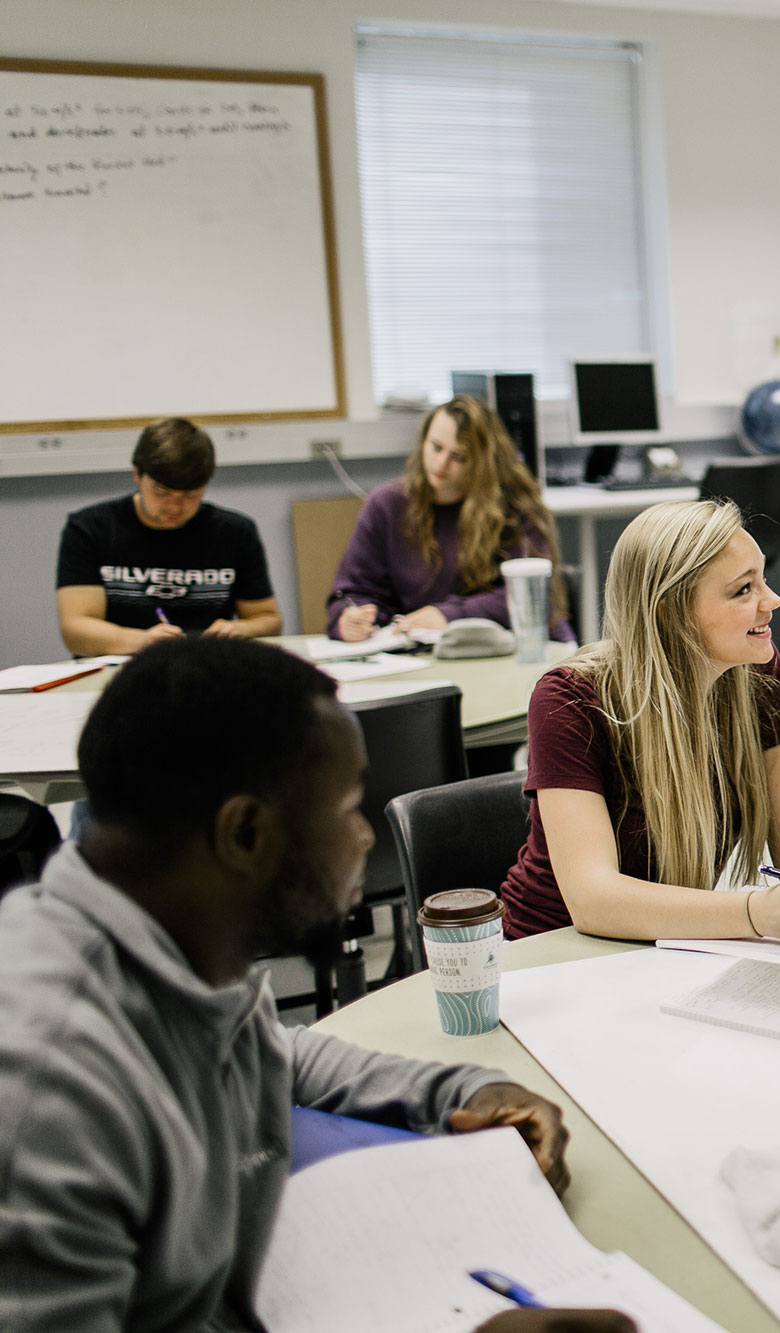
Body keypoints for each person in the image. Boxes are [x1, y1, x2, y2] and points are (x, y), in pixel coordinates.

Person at [0, 637, 628, 1332]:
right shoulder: (47, 1088)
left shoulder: (163, 940)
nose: (364, 836)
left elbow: (277, 1051)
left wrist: (463, 1090)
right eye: (348, 807)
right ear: (243, 832)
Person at [498, 500, 780, 942]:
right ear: (670, 612)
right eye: (743, 590)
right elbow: (594, 899)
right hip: (556, 952)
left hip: (670, 945)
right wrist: (754, 914)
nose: (772, 600)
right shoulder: (570, 699)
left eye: (762, 579)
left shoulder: (757, 673)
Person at [326, 393, 571, 642]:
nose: (441, 463)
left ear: (482, 462)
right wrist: (348, 618)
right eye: (436, 447)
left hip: (509, 645)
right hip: (424, 650)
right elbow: (353, 591)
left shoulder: (514, 505)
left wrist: (450, 616)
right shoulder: (387, 504)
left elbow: (532, 596)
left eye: (458, 457)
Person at [55, 418, 282, 655]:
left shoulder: (235, 531)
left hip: (207, 668)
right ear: (137, 475)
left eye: (191, 495)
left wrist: (240, 630)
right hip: (124, 669)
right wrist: (141, 641)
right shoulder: (90, 528)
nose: (175, 507)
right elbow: (76, 630)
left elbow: (269, 619)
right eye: (161, 492)